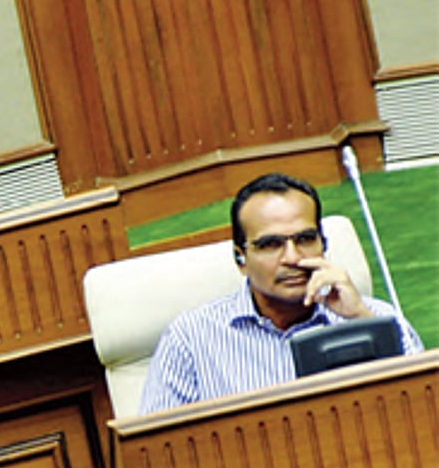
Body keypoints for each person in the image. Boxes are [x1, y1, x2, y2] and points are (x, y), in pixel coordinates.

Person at [138, 172, 423, 414]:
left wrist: (361, 320)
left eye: (305, 239)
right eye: (271, 244)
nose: (292, 257)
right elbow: (156, 456)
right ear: (241, 259)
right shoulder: (190, 339)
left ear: (323, 244)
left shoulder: (378, 317)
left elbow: (425, 406)